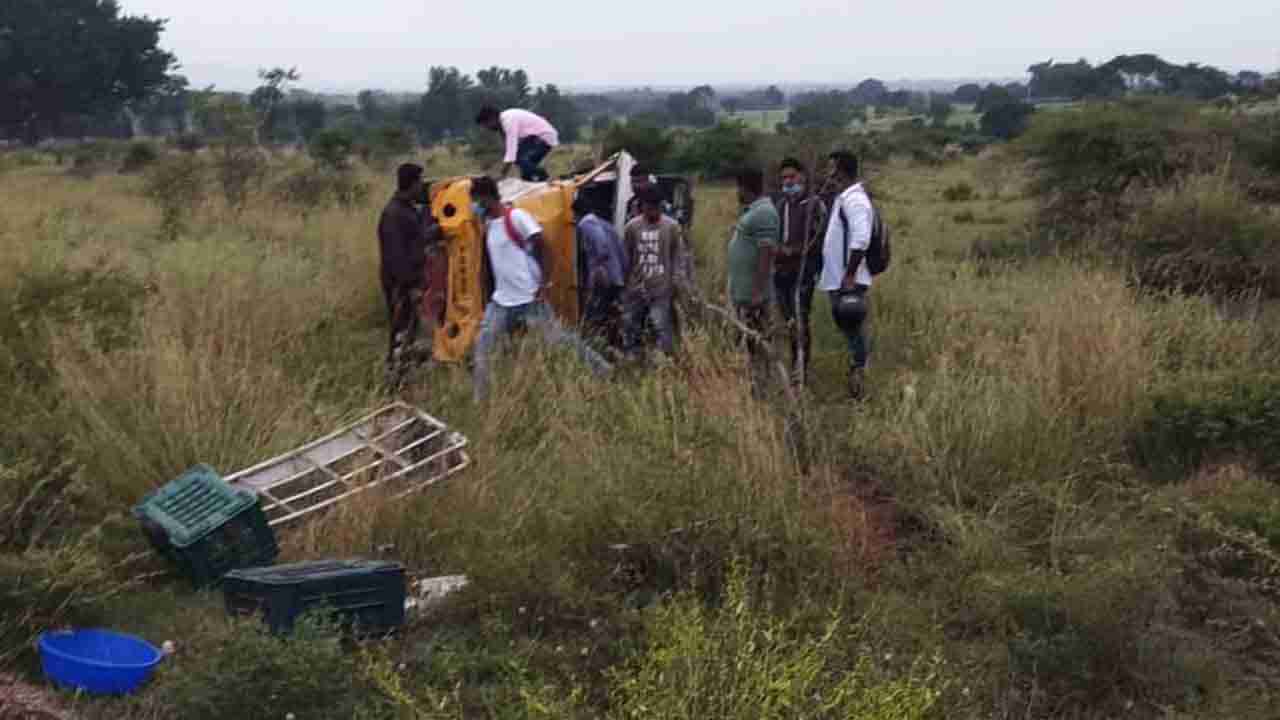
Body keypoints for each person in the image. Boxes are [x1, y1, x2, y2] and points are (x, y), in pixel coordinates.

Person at [470, 176, 611, 402]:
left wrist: (544, 283)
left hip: (529, 299)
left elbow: (542, 244)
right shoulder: (489, 226)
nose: (474, 207)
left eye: (476, 201)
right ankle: (481, 400)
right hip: (501, 302)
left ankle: (602, 369)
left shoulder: (516, 217)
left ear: (487, 197)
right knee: (483, 348)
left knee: (559, 340)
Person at [817, 151, 874, 401]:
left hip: (847, 281)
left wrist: (849, 275)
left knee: (853, 329)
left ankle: (859, 382)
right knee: (848, 330)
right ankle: (856, 377)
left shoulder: (855, 200)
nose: (828, 174)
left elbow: (861, 239)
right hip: (839, 279)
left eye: (831, 168)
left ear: (840, 170)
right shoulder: (845, 197)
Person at [377, 162, 439, 379]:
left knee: (409, 328)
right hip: (400, 285)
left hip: (408, 282)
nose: (422, 187)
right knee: (401, 330)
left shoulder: (406, 210)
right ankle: (394, 378)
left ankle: (404, 372)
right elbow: (397, 257)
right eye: (420, 182)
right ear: (411, 184)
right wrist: (410, 285)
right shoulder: (394, 214)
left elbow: (416, 239)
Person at [771, 157, 828, 387]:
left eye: (791, 177)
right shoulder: (781, 204)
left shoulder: (815, 205)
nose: (787, 181)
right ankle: (795, 364)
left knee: (801, 318)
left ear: (802, 177)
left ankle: (801, 369)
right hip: (781, 272)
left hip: (803, 272)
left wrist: (791, 251)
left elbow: (816, 240)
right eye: (784, 177)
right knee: (789, 321)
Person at [726, 167, 780, 393]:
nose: (737, 192)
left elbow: (766, 254)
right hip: (744, 294)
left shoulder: (764, 212)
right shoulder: (754, 211)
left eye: (738, 187)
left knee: (757, 342)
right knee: (747, 342)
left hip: (753, 296)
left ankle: (760, 387)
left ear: (745, 188)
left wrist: (757, 293)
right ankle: (751, 384)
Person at [623, 187, 684, 359]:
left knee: (661, 326)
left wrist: (675, 283)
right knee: (631, 324)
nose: (653, 212)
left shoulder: (671, 227)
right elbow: (627, 257)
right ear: (642, 207)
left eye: (657, 207)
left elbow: (677, 257)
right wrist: (627, 285)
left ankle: (663, 362)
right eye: (650, 208)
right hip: (637, 287)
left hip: (661, 287)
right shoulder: (632, 227)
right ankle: (633, 358)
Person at [574, 195, 628, 350]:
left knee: (593, 317)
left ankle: (597, 350)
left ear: (577, 214)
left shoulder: (586, 223)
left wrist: (599, 267)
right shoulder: (605, 224)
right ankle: (615, 348)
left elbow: (601, 244)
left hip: (604, 279)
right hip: (616, 278)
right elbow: (621, 252)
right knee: (613, 315)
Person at [475, 106, 559, 182]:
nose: (487, 128)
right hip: (535, 137)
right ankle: (529, 181)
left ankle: (545, 178)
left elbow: (511, 151)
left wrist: (502, 174)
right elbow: (508, 147)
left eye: (486, 125)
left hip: (543, 137)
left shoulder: (508, 120)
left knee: (519, 158)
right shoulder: (504, 120)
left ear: (492, 118)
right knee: (526, 168)